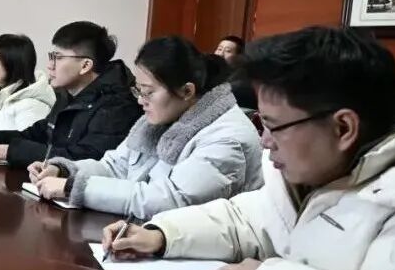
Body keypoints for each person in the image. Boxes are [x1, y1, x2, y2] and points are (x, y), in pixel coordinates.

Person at [101, 27, 395, 270]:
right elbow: (244, 219)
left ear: (343, 128)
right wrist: (161, 235)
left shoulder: (391, 198)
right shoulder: (304, 174)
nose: (265, 141)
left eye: (274, 125)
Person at [32, 36, 263, 220]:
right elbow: (115, 166)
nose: (140, 100)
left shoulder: (227, 136)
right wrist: (64, 171)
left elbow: (172, 200)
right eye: (138, 90)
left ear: (187, 91)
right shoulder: (164, 115)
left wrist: (74, 188)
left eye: (148, 92)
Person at [0, 21, 140, 167]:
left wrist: (14, 151)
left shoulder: (116, 105)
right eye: (51, 56)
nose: (50, 65)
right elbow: (40, 133)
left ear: (85, 65)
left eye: (58, 57)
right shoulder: (67, 94)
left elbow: (88, 158)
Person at [216, 35, 256, 110]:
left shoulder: (240, 81)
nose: (220, 54)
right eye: (219, 49)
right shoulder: (209, 73)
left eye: (228, 51)